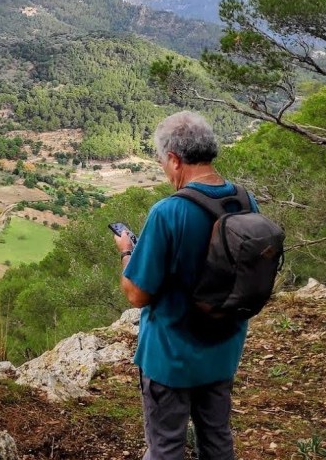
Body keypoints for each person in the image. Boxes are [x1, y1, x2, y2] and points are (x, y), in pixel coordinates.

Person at [113, 110, 253, 460]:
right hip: (223, 351)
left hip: (171, 359)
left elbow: (136, 294)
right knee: (217, 440)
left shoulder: (168, 212)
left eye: (163, 162)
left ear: (175, 160)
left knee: (166, 447)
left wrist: (127, 252)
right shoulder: (244, 201)